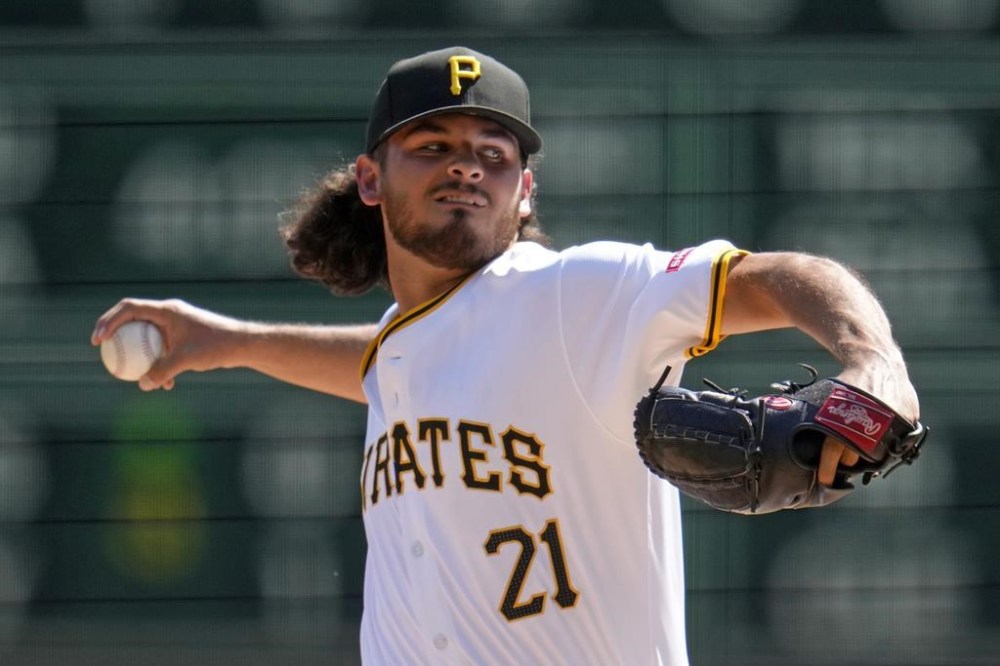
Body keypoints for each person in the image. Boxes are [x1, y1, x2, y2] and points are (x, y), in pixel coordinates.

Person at [91, 46, 920, 665]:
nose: (466, 166)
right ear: (371, 179)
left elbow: (782, 276)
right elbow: (388, 366)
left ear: (525, 194)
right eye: (433, 144)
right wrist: (230, 342)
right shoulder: (405, 347)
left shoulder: (575, 296)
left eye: (495, 153)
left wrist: (872, 358)